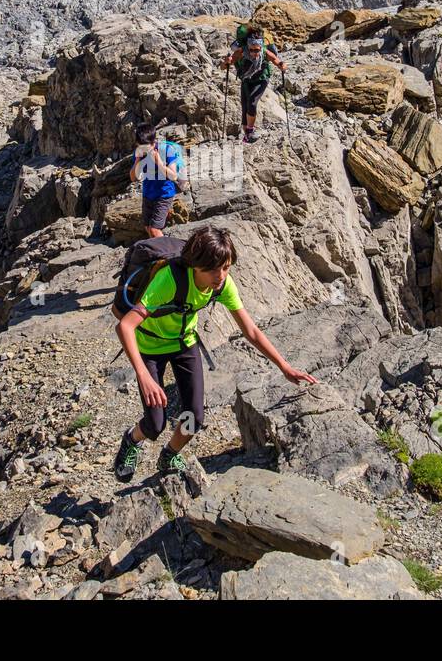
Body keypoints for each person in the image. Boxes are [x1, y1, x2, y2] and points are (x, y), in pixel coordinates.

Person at [111, 225, 317, 480]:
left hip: (183, 344)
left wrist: (284, 367)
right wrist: (142, 374)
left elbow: (250, 330)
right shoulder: (170, 279)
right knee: (155, 423)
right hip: (149, 347)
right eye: (211, 269)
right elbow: (126, 325)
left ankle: (169, 454)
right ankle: (131, 440)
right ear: (195, 265)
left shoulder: (222, 284)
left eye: (226, 267)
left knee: (194, 418)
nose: (220, 275)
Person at [222, 28, 285, 143]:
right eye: (252, 50)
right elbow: (225, 65)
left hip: (261, 79)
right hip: (246, 80)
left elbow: (275, 59)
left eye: (257, 50)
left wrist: (281, 65)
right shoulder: (241, 52)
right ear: (248, 47)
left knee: (252, 101)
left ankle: (250, 131)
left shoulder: (265, 52)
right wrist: (227, 62)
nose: (255, 53)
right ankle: (247, 136)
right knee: (245, 105)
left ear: (261, 47)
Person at [129, 122, 182, 239]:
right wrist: (138, 159)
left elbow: (173, 176)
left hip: (164, 194)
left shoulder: (167, 150)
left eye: (146, 147)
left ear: (153, 142)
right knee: (148, 227)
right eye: (140, 146)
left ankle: (166, 252)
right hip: (148, 194)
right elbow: (133, 178)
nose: (144, 150)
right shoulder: (139, 153)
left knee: (154, 229)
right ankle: (157, 249)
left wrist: (159, 162)